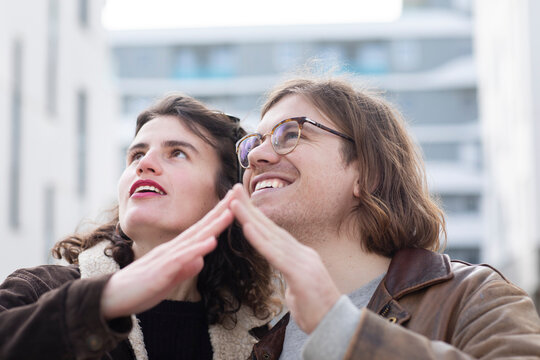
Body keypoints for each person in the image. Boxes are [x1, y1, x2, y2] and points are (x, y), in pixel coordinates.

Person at [228, 76, 540, 359]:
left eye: (290, 133)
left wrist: (342, 331)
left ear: (368, 173)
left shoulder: (474, 298)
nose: (256, 156)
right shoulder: (262, 341)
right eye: (254, 143)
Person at [0, 94, 278, 360]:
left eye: (177, 153)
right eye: (135, 155)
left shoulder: (261, 340)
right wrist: (102, 302)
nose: (144, 164)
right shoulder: (36, 292)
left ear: (227, 195)